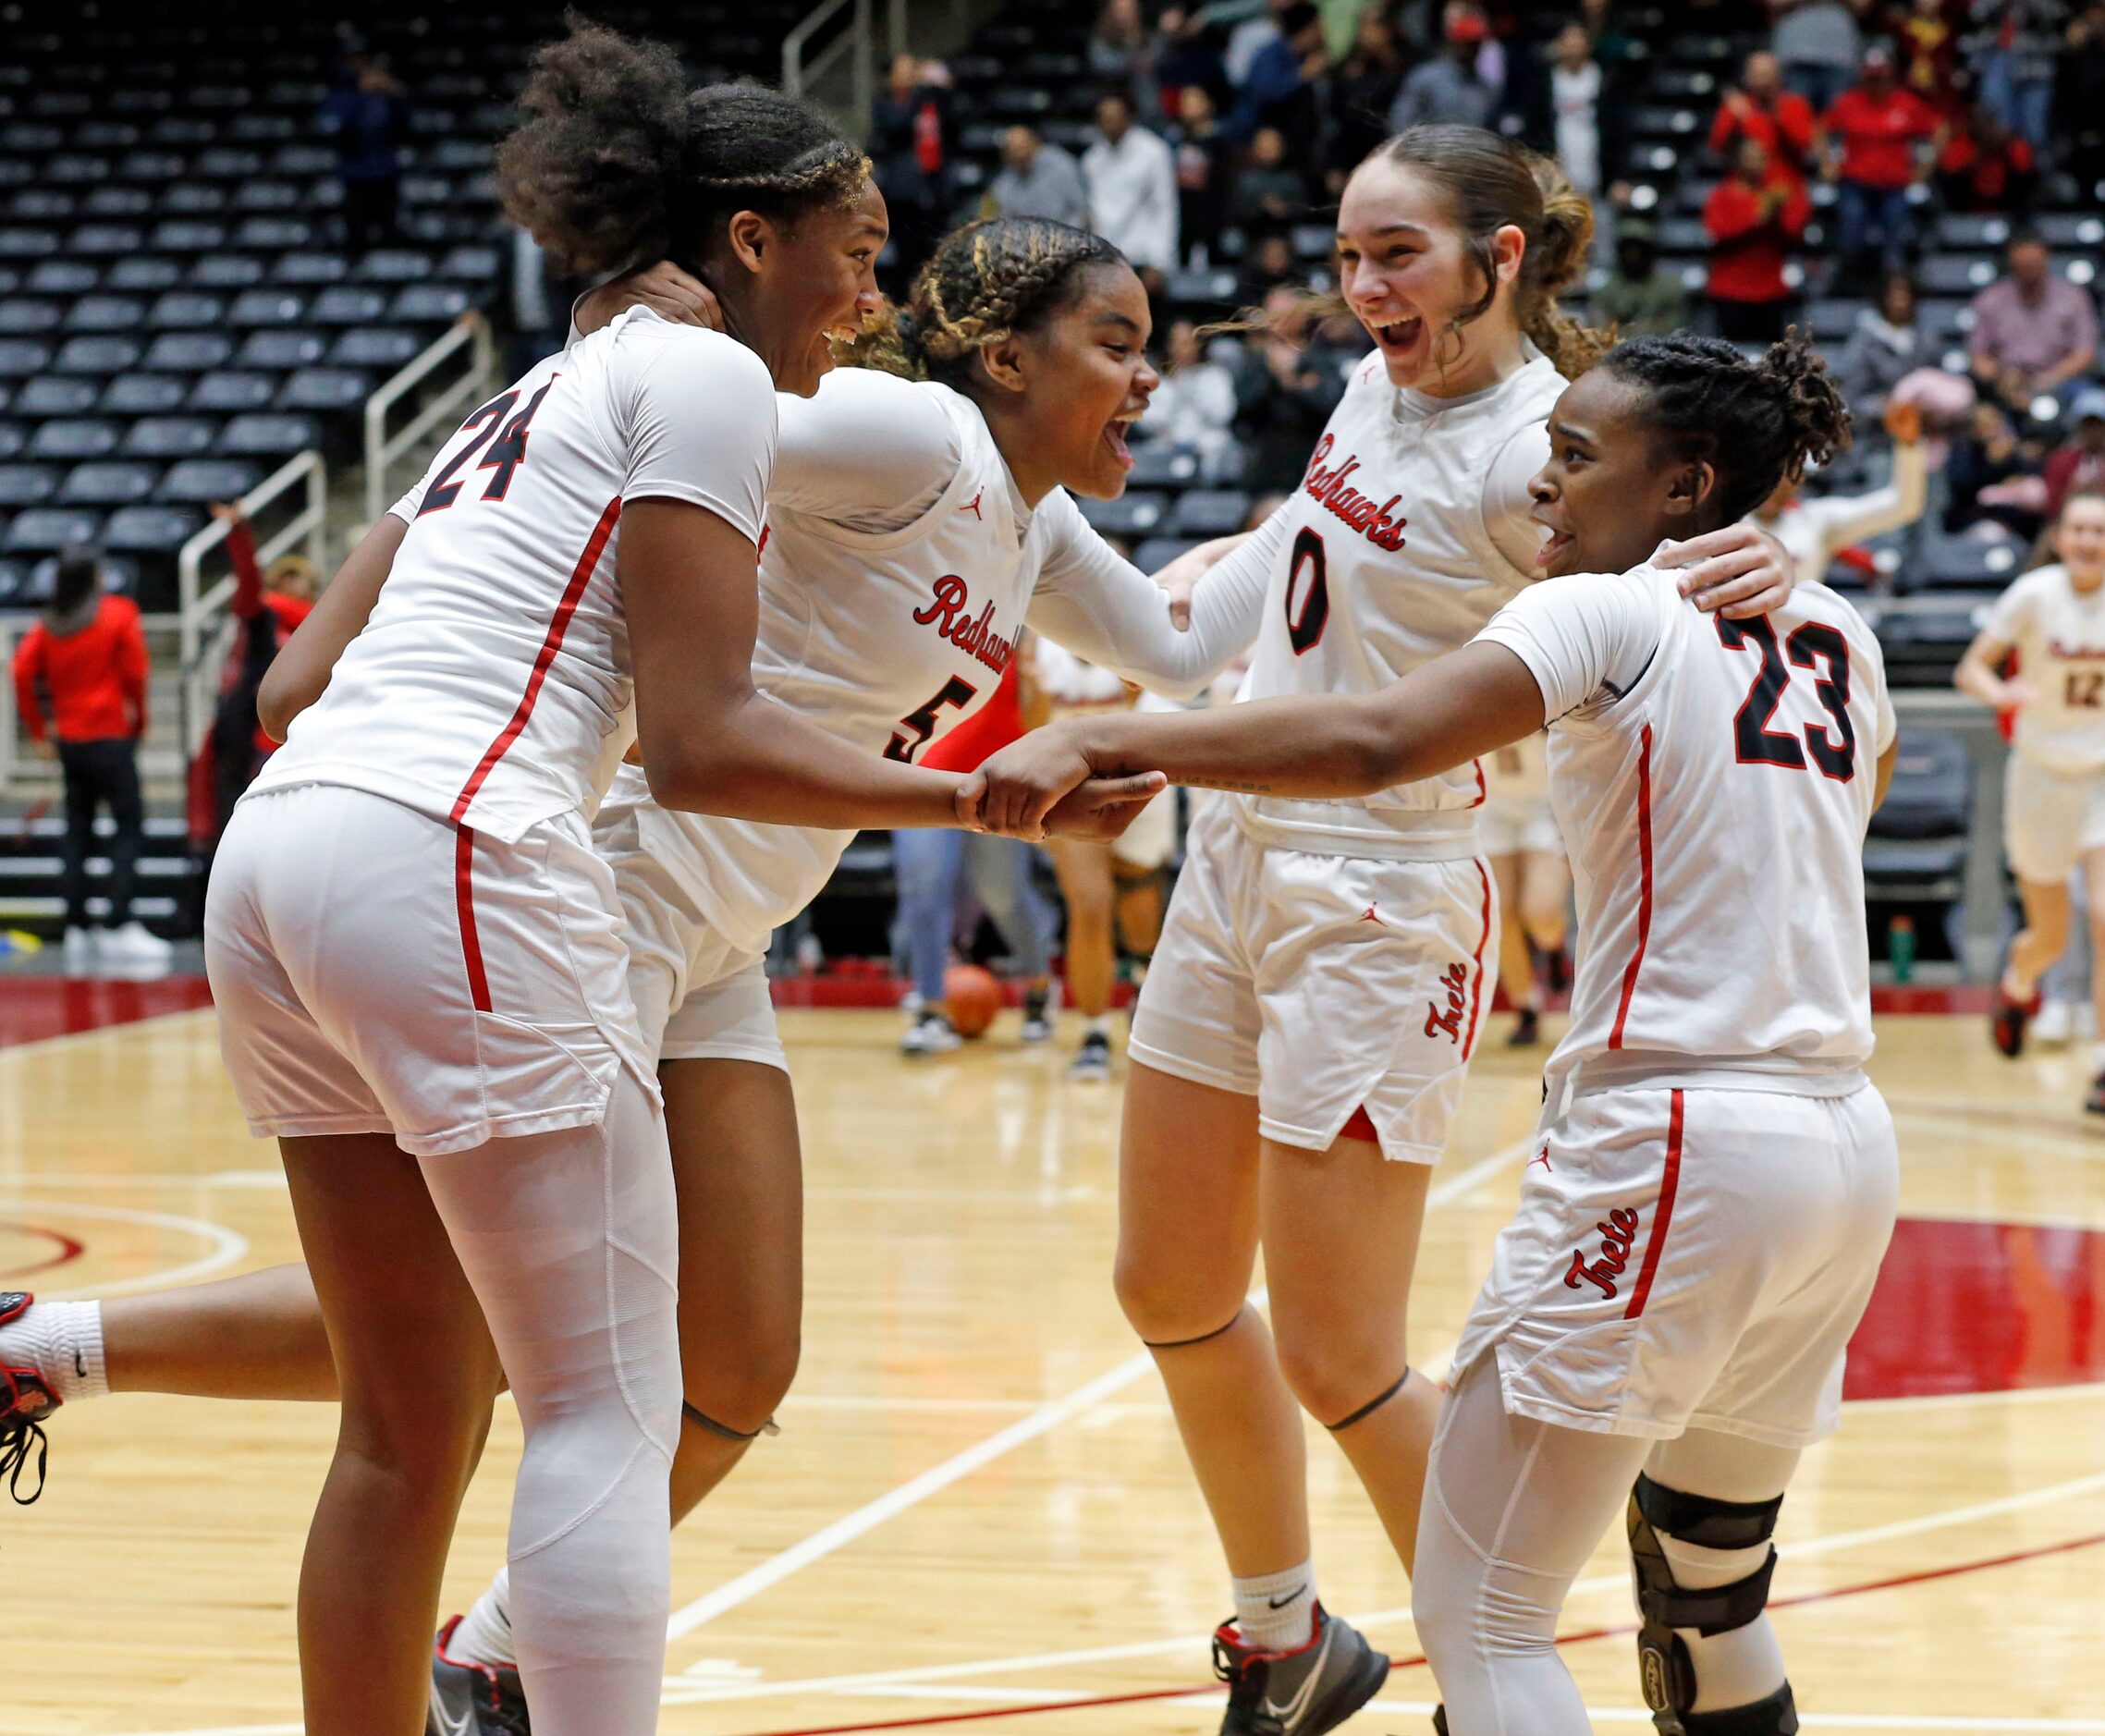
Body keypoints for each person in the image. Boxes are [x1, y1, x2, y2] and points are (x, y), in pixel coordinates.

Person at [0, 216, 1259, 1732]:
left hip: (719, 940)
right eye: (1115, 342)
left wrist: (1349, 526)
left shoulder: (1036, 531)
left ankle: (487, 1633)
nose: (1147, 375)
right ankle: (474, 1643)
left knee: (733, 1356)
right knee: (473, 1346)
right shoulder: (907, 431)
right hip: (604, 875)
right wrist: (319, 645)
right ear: (1006, 356)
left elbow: (1185, 649)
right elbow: (577, 442)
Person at [966, 328, 1897, 1736]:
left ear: (1686, 488)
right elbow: (1845, 806)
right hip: (1844, 1147)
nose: (1542, 488)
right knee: (1710, 1597)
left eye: (1577, 462)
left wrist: (1115, 740)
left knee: (1489, 1618)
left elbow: (1374, 743)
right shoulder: (1841, 630)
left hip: (1680, 1132)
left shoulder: (1604, 610)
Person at [1955, 492, 2105, 1111]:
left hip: (2101, 774)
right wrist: (2001, 692)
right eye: (2077, 528)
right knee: (2047, 936)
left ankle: (2101, 1062)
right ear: (2060, 535)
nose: (2087, 540)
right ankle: (2019, 985)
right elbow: (1970, 670)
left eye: (2098, 530)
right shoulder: (2034, 594)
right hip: (2041, 775)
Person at [9, 545, 169, 972]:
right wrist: (140, 719)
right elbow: (136, 672)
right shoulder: (118, 613)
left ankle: (77, 925)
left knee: (77, 832)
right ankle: (118, 922)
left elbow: (21, 672)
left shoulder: (50, 623)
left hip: (71, 743)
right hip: (110, 735)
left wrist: (41, 729)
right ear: (93, 578)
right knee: (128, 826)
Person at [1750, 397, 1930, 584]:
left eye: (1785, 479)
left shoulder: (1816, 520)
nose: (1774, 488)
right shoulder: (1724, 519)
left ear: (1799, 480)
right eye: (1766, 478)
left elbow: (1903, 505)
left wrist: (1908, 445)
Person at [1817, 44, 1940, 291]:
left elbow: (1940, 129)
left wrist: (1925, 168)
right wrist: (1827, 162)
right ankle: (1852, 284)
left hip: (1894, 185)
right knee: (1851, 236)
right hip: (1855, 183)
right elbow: (1819, 129)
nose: (1876, 83)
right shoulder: (1848, 102)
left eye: (1880, 77)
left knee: (1895, 245)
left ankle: (1892, 290)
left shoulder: (1906, 104)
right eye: (1871, 77)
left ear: (1890, 75)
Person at [1481, 732, 1569, 1047]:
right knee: (1499, 919)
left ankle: (1554, 944)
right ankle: (1527, 1008)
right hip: (1489, 808)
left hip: (1543, 805)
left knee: (1539, 911)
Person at [1968, 231, 2099, 420]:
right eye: (2022, 265)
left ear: (2047, 259)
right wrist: (2001, 377)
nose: (2029, 270)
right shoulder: (1990, 299)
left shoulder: (2073, 298)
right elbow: (1978, 356)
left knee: (2092, 402)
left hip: (2062, 382)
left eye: (2034, 263)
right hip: (2005, 384)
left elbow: (2084, 353)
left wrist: (2049, 379)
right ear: (2011, 264)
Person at [1703, 136, 1809, 343]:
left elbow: (1793, 235)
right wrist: (1758, 217)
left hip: (1770, 290)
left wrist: (1781, 210)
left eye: (1763, 157)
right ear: (1738, 161)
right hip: (1731, 290)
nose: (1761, 162)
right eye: (1755, 157)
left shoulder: (1774, 195)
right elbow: (1718, 233)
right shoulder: (1722, 196)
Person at [1083, 91, 1180, 277]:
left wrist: (1160, 261)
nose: (1108, 124)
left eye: (1114, 118)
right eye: (1103, 118)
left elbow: (1165, 207)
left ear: (1128, 117)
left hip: (1142, 255)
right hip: (1105, 256)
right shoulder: (1092, 158)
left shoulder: (1154, 152)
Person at [320, 53, 407, 252]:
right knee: (356, 233)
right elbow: (333, 129)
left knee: (389, 232)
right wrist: (359, 94)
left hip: (386, 172)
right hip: (355, 173)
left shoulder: (385, 97)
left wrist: (396, 95)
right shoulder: (341, 96)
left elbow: (405, 128)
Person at [1709, 48, 1817, 189]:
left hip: (1787, 192)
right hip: (1746, 195)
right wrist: (1735, 118)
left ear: (1778, 77)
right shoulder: (1736, 106)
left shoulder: (1795, 105)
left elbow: (1803, 142)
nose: (1763, 83)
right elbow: (1717, 144)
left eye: (1767, 75)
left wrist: (1770, 115)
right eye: (1757, 76)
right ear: (1747, 77)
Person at [1389, 5, 1500, 131]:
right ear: (1453, 41)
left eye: (1475, 43)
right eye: (1466, 42)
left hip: (1470, 148)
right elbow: (1400, 122)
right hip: (1431, 148)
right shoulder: (1425, 77)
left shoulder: (1485, 87)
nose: (1472, 49)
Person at [1833, 270, 1923, 423]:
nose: (1901, 303)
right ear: (1882, 300)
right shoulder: (1864, 344)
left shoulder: (1927, 339)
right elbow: (1850, 398)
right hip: (1875, 434)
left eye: (1905, 297)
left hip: (1922, 428)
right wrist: (1884, 406)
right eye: (1895, 297)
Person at [1149, 316, 1242, 463]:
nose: (1183, 349)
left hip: (1209, 447)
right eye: (1178, 343)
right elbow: (1148, 421)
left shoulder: (1215, 376)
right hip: (1169, 447)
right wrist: (1175, 397)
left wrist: (1196, 393)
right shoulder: (1160, 380)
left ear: (1198, 344)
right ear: (1169, 346)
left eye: (1187, 342)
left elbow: (1224, 414)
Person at [1590, 218, 1695, 338]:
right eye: (1628, 250)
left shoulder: (1672, 289)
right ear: (1620, 252)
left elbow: (1675, 328)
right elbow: (1600, 331)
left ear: (1650, 252)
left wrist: (1632, 330)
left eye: (1640, 249)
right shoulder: (1605, 292)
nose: (1633, 255)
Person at [986, 126, 1091, 230]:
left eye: (1023, 148)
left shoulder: (1061, 167)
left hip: (1066, 235)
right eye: (1012, 150)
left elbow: (1082, 212)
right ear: (1005, 157)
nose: (1020, 155)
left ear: (1036, 145)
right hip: (1027, 240)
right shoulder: (1003, 186)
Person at [1772, 0, 1862, 115]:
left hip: (1838, 54)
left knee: (1837, 119)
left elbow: (1862, 5)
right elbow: (1774, 3)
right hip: (1796, 54)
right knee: (1795, 116)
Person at [1549, 21, 1605, 195]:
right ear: (1559, 46)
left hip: (1596, 172)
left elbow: (1616, 128)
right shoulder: (1545, 82)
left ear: (1588, 46)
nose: (1573, 49)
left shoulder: (1604, 81)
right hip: (1558, 174)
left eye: (1578, 43)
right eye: (1569, 44)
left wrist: (1619, 176)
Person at [2044, 387, 2105, 519]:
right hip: (2067, 520)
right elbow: (2050, 507)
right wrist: (2073, 491)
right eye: (2088, 425)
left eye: (2098, 424)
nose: (2093, 431)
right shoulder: (2061, 460)